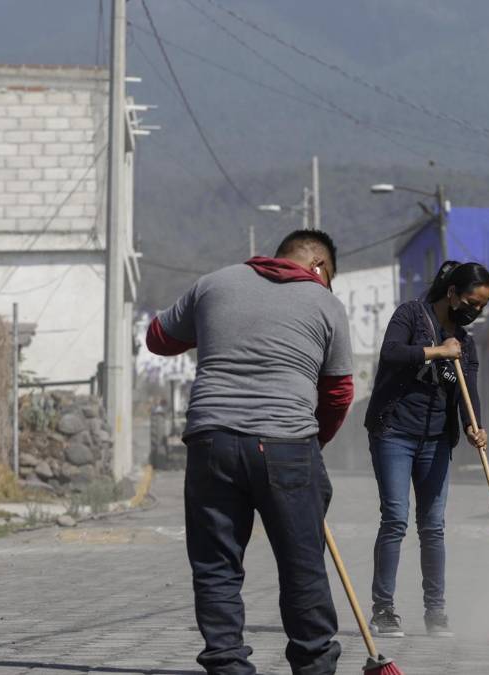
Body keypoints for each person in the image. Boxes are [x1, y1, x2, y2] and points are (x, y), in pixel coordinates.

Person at [147, 230, 355, 674]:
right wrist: (313, 442)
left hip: (211, 441)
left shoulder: (213, 284)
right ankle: (315, 666)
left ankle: (227, 666)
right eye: (329, 276)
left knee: (217, 565)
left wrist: (213, 325)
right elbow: (339, 392)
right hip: (287, 444)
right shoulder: (327, 304)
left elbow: (158, 338)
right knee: (302, 566)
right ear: (319, 266)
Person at [363, 261, 489, 639]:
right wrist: (437, 351)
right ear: (452, 294)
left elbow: (467, 391)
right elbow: (390, 354)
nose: (476, 311)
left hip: (436, 440)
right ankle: (384, 610)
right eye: (472, 302)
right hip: (394, 433)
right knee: (396, 519)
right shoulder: (411, 315)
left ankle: (435, 612)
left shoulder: (466, 343)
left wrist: (474, 427)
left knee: (433, 527)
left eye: (483, 306)